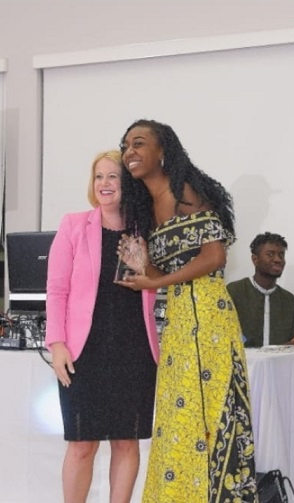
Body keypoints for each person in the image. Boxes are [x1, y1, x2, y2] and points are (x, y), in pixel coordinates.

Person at [117, 119, 256, 502]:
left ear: (163, 151)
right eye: (126, 145)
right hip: (179, 321)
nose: (130, 152)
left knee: (210, 414)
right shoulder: (146, 209)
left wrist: (155, 281)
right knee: (179, 418)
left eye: (139, 143)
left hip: (209, 318)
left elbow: (214, 257)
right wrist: (143, 266)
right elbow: (164, 275)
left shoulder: (186, 192)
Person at [45, 150, 159, 503]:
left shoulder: (146, 230)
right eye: (99, 176)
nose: (105, 183)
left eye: (113, 176)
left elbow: (158, 284)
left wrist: (144, 268)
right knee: (82, 444)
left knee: (126, 441)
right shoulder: (73, 225)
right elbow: (56, 289)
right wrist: (57, 343)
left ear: (129, 184)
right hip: (84, 352)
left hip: (135, 349)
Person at [227, 232, 294, 347]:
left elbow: (284, 346)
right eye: (270, 254)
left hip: (277, 359)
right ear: (255, 259)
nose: (278, 259)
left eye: (281, 255)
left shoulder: (289, 301)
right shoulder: (234, 292)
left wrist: (291, 344)